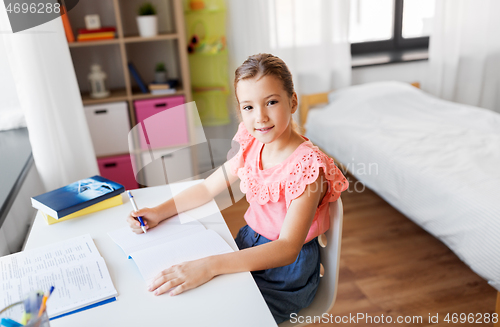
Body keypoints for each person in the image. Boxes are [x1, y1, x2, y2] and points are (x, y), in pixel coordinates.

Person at [126, 53, 349, 324]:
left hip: (286, 271)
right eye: (248, 107)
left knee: (221, 313)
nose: (261, 117)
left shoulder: (306, 167)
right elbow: (208, 188)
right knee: (189, 300)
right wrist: (159, 211)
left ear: (292, 102)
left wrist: (209, 265)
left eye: (271, 102)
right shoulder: (252, 145)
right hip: (248, 244)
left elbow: (288, 247)